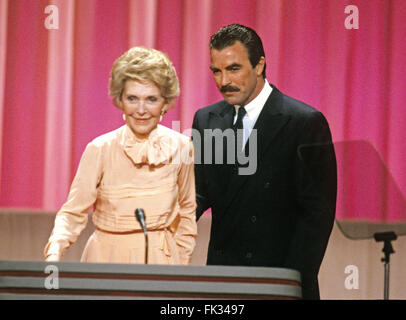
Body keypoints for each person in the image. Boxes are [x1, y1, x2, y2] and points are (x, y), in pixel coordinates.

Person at [192, 24, 337, 299]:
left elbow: (317, 216)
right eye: (216, 71)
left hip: (279, 280)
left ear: (259, 65)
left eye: (234, 68)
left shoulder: (305, 122)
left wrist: (289, 284)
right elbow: (200, 193)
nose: (224, 81)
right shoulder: (206, 120)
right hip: (222, 281)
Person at [44, 47, 197, 265]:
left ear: (165, 102)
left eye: (151, 99)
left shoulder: (182, 147)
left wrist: (181, 261)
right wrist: (54, 253)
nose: (141, 109)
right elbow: (73, 212)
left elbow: (187, 212)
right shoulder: (100, 148)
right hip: (106, 258)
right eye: (132, 98)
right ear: (120, 101)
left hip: (162, 260)